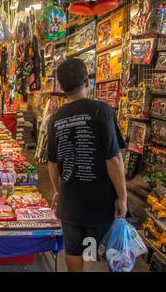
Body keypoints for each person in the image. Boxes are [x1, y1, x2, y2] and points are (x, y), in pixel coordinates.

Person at [47, 58, 128, 272]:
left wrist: (58, 190)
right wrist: (122, 196)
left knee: (73, 249)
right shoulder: (102, 111)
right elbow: (113, 158)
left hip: (70, 202)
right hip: (100, 203)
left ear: (61, 88)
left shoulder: (55, 118)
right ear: (87, 82)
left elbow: (53, 163)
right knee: (110, 250)